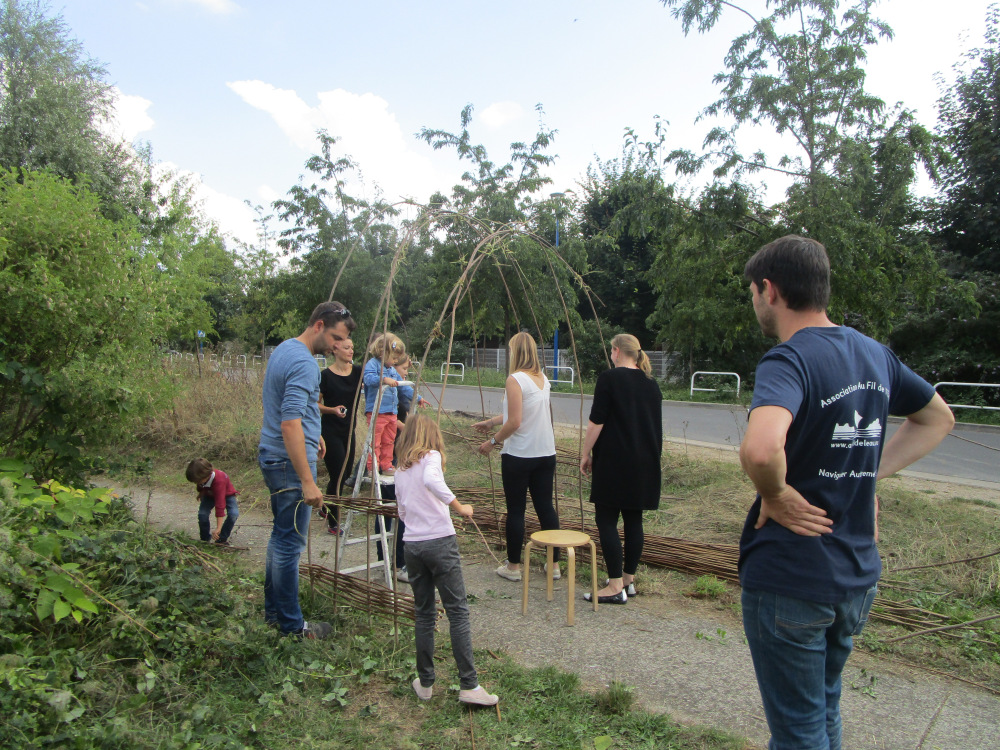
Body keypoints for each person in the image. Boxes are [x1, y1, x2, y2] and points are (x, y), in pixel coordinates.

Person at [738, 235, 954, 749]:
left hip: (793, 577)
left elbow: (762, 450)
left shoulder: (787, 360)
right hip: (856, 577)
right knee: (824, 708)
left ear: (770, 290)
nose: (753, 302)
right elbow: (937, 417)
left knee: (797, 732)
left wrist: (776, 494)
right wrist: (866, 472)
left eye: (751, 292)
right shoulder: (874, 354)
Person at [259, 301, 356, 639]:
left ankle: (273, 613)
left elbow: (293, 408)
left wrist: (312, 435)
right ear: (318, 325)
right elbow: (289, 423)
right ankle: (291, 626)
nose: (335, 346)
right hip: (288, 464)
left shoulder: (284, 349)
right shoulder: (305, 363)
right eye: (334, 337)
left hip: (274, 455)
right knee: (290, 545)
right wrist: (307, 480)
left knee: (280, 536)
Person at [395, 412, 499, 707]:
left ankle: (425, 682)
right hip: (439, 542)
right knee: (457, 611)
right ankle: (469, 684)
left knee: (424, 613)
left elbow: (402, 512)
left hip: (412, 547)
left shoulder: (400, 471)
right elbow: (431, 480)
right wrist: (459, 506)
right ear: (431, 437)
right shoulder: (430, 457)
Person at [579, 333, 663, 604]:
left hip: (615, 460)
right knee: (633, 520)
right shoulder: (652, 384)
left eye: (611, 350)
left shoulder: (610, 379)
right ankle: (628, 579)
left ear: (616, 351)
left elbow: (597, 421)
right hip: (645, 461)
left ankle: (614, 585)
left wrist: (585, 452)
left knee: (606, 520)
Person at [473, 331, 561, 582]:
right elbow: (520, 413)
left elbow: (515, 421)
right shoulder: (542, 378)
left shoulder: (515, 379)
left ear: (516, 352)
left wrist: (492, 441)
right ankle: (553, 565)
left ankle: (513, 567)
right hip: (545, 453)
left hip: (520, 455)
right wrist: (490, 422)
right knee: (545, 507)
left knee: (516, 511)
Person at [319, 334, 362, 534]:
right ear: (335, 350)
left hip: (349, 430)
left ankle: (325, 505)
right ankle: (334, 524)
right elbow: (314, 403)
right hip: (329, 431)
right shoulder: (325, 376)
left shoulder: (358, 372)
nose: (351, 351)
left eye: (352, 347)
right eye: (346, 347)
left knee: (345, 475)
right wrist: (332, 409)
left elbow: (375, 377)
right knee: (337, 476)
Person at [362, 333, 403, 477]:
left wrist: (418, 397)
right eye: (394, 357)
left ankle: (387, 465)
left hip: (391, 412)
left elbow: (402, 386)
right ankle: (373, 467)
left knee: (389, 440)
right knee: (375, 441)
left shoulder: (392, 370)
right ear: (383, 353)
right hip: (377, 412)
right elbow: (368, 379)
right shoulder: (372, 365)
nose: (396, 361)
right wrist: (383, 379)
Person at [186, 458, 240, 545]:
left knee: (234, 514)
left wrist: (218, 528)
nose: (197, 483)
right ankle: (204, 539)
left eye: (198, 481)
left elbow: (220, 505)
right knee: (202, 514)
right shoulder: (202, 479)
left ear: (206, 475)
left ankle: (221, 539)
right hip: (209, 494)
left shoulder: (219, 480)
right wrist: (201, 493)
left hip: (226, 494)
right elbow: (201, 486)